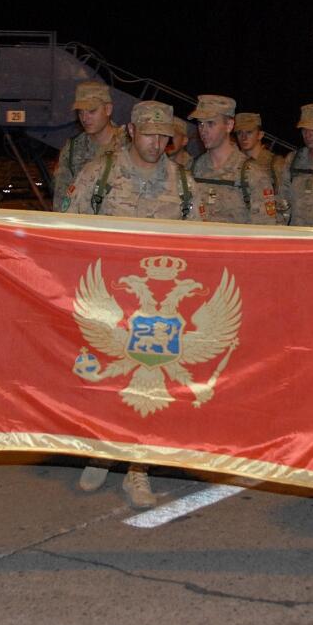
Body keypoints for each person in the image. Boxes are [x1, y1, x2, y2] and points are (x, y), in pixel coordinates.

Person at [65, 101, 203, 507]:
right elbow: (69, 231)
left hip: (156, 312)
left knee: (145, 387)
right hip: (107, 302)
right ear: (130, 130)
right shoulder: (100, 174)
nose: (157, 143)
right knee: (104, 381)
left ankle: (136, 468)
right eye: (149, 134)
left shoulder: (182, 182)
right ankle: (101, 451)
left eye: (164, 136)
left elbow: (200, 242)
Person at [188, 95, 277, 225]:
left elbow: (265, 230)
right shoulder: (191, 169)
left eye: (210, 123)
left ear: (229, 125)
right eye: (200, 123)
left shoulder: (252, 175)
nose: (203, 130)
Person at [52, 80, 127, 212]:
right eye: (81, 112)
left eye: (92, 111)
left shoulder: (128, 146)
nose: (85, 118)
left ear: (108, 109)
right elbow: (61, 200)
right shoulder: (72, 149)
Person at [234, 112, 284, 189]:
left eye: (249, 132)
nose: (244, 137)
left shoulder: (275, 164)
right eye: (239, 133)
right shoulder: (232, 162)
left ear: (260, 135)